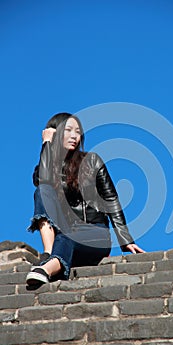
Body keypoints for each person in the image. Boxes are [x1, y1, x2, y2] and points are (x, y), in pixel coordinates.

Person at [26, 112, 145, 285]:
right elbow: (43, 181)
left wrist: (125, 239)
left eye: (78, 131)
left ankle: (46, 269)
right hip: (64, 235)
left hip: (95, 233)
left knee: (68, 236)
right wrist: (47, 144)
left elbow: (110, 198)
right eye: (68, 130)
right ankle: (49, 252)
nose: (75, 136)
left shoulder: (92, 160)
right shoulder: (46, 164)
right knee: (42, 191)